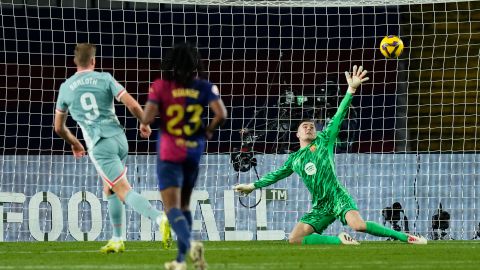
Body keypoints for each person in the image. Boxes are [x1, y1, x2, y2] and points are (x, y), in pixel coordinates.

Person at [234, 65, 427, 246]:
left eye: (311, 126)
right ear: (297, 134)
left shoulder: (324, 140)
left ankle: (406, 237)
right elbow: (274, 175)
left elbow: (340, 114)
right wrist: (252, 186)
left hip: (337, 197)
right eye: (304, 126)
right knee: (294, 239)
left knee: (358, 225)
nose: (309, 127)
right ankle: (339, 240)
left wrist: (351, 90)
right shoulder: (294, 159)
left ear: (316, 132)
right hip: (320, 205)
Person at [54, 43, 170, 253]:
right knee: (110, 188)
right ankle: (117, 239)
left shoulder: (65, 88)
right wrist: (143, 122)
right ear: (93, 61)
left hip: (100, 146)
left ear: (74, 61)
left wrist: (75, 143)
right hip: (119, 139)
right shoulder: (105, 78)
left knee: (123, 190)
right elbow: (132, 104)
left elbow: (58, 127)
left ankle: (160, 218)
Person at [142, 42, 227, 270]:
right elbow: (222, 114)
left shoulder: (161, 86)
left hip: (170, 151)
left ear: (171, 65)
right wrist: (208, 130)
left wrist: (148, 117)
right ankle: (180, 261)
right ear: (194, 65)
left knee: (171, 208)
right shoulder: (204, 86)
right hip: (193, 150)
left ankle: (190, 245)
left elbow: (148, 117)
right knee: (185, 206)